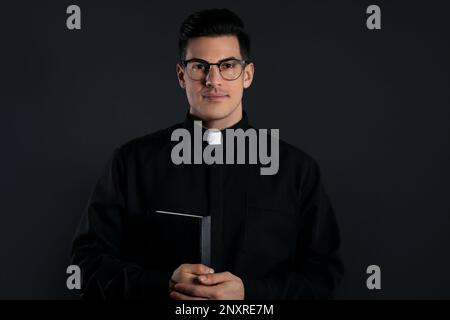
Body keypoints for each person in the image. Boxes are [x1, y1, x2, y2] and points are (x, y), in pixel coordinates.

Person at [70, 8, 344, 300]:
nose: (213, 80)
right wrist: (164, 285)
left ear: (247, 74)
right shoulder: (132, 163)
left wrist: (251, 294)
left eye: (227, 65)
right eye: (200, 66)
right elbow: (86, 267)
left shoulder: (296, 170)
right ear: (181, 75)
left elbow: (324, 276)